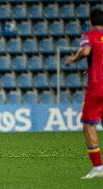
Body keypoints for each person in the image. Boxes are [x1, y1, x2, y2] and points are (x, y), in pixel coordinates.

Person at [66, 7, 103, 179]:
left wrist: (74, 59)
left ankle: (98, 168)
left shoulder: (89, 35)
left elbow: (87, 51)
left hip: (97, 87)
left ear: (90, 21)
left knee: (88, 125)